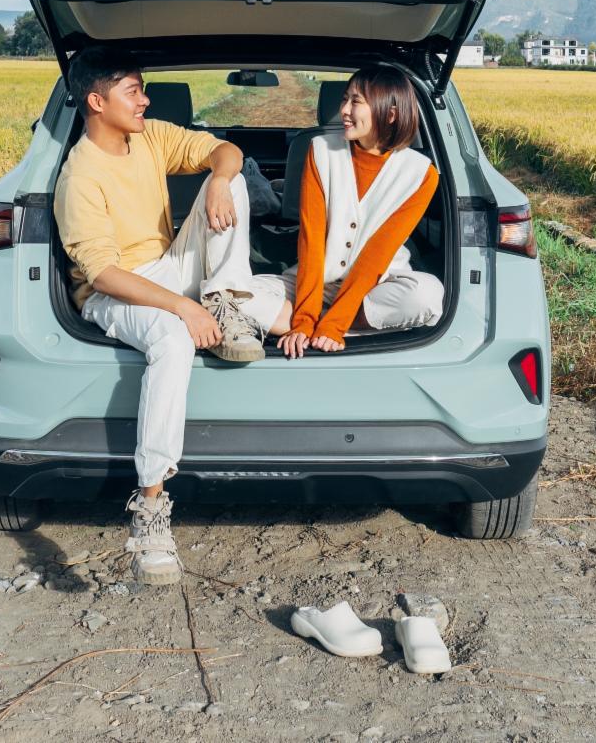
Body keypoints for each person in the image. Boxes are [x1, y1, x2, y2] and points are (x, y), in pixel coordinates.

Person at [53, 46, 287, 585]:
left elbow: (224, 150)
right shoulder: (79, 178)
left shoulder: (150, 135)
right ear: (96, 101)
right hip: (115, 293)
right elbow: (105, 275)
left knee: (221, 181)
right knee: (173, 339)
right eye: (133, 91)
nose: (145, 100)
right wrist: (182, 306)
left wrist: (222, 183)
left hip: (165, 265)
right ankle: (151, 512)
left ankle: (227, 302)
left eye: (142, 89)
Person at [256, 64, 445, 359]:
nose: (344, 109)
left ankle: (329, 325)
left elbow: (377, 255)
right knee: (234, 295)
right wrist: (304, 319)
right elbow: (312, 241)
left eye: (355, 102)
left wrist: (335, 323)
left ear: (391, 113)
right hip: (315, 281)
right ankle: (314, 324)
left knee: (428, 294)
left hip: (378, 286)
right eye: (345, 99)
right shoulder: (320, 150)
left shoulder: (421, 174)